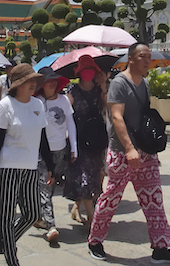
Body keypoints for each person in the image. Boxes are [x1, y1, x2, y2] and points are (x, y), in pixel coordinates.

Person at [87, 43, 170, 264]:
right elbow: (117, 117)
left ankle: (161, 247)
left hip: (145, 152)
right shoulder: (119, 84)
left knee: (154, 200)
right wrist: (130, 148)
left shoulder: (146, 83)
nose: (147, 60)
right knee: (111, 198)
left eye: (148, 56)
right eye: (142, 56)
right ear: (130, 59)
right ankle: (95, 241)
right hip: (122, 152)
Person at [0, 64, 46, 266]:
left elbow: (43, 139)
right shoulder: (5, 106)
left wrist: (50, 165)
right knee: (6, 216)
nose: (33, 84)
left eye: (34, 80)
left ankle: (5, 241)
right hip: (7, 166)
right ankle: (11, 258)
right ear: (17, 84)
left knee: (33, 213)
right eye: (28, 81)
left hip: (31, 166)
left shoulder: (37, 105)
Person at [64, 56, 108, 228]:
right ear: (80, 73)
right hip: (79, 139)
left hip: (96, 138)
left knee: (95, 176)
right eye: (85, 70)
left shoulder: (98, 89)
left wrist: (104, 86)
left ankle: (77, 207)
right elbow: (66, 110)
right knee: (84, 179)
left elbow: (108, 107)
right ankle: (91, 218)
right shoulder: (72, 90)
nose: (88, 73)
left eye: (91, 70)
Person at [35, 66, 76, 243]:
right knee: (45, 185)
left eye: (54, 81)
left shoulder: (64, 100)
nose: (51, 84)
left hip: (60, 149)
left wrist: (73, 146)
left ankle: (39, 216)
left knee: (50, 188)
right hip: (41, 152)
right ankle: (51, 225)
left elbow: (71, 123)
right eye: (48, 81)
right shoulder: (35, 101)